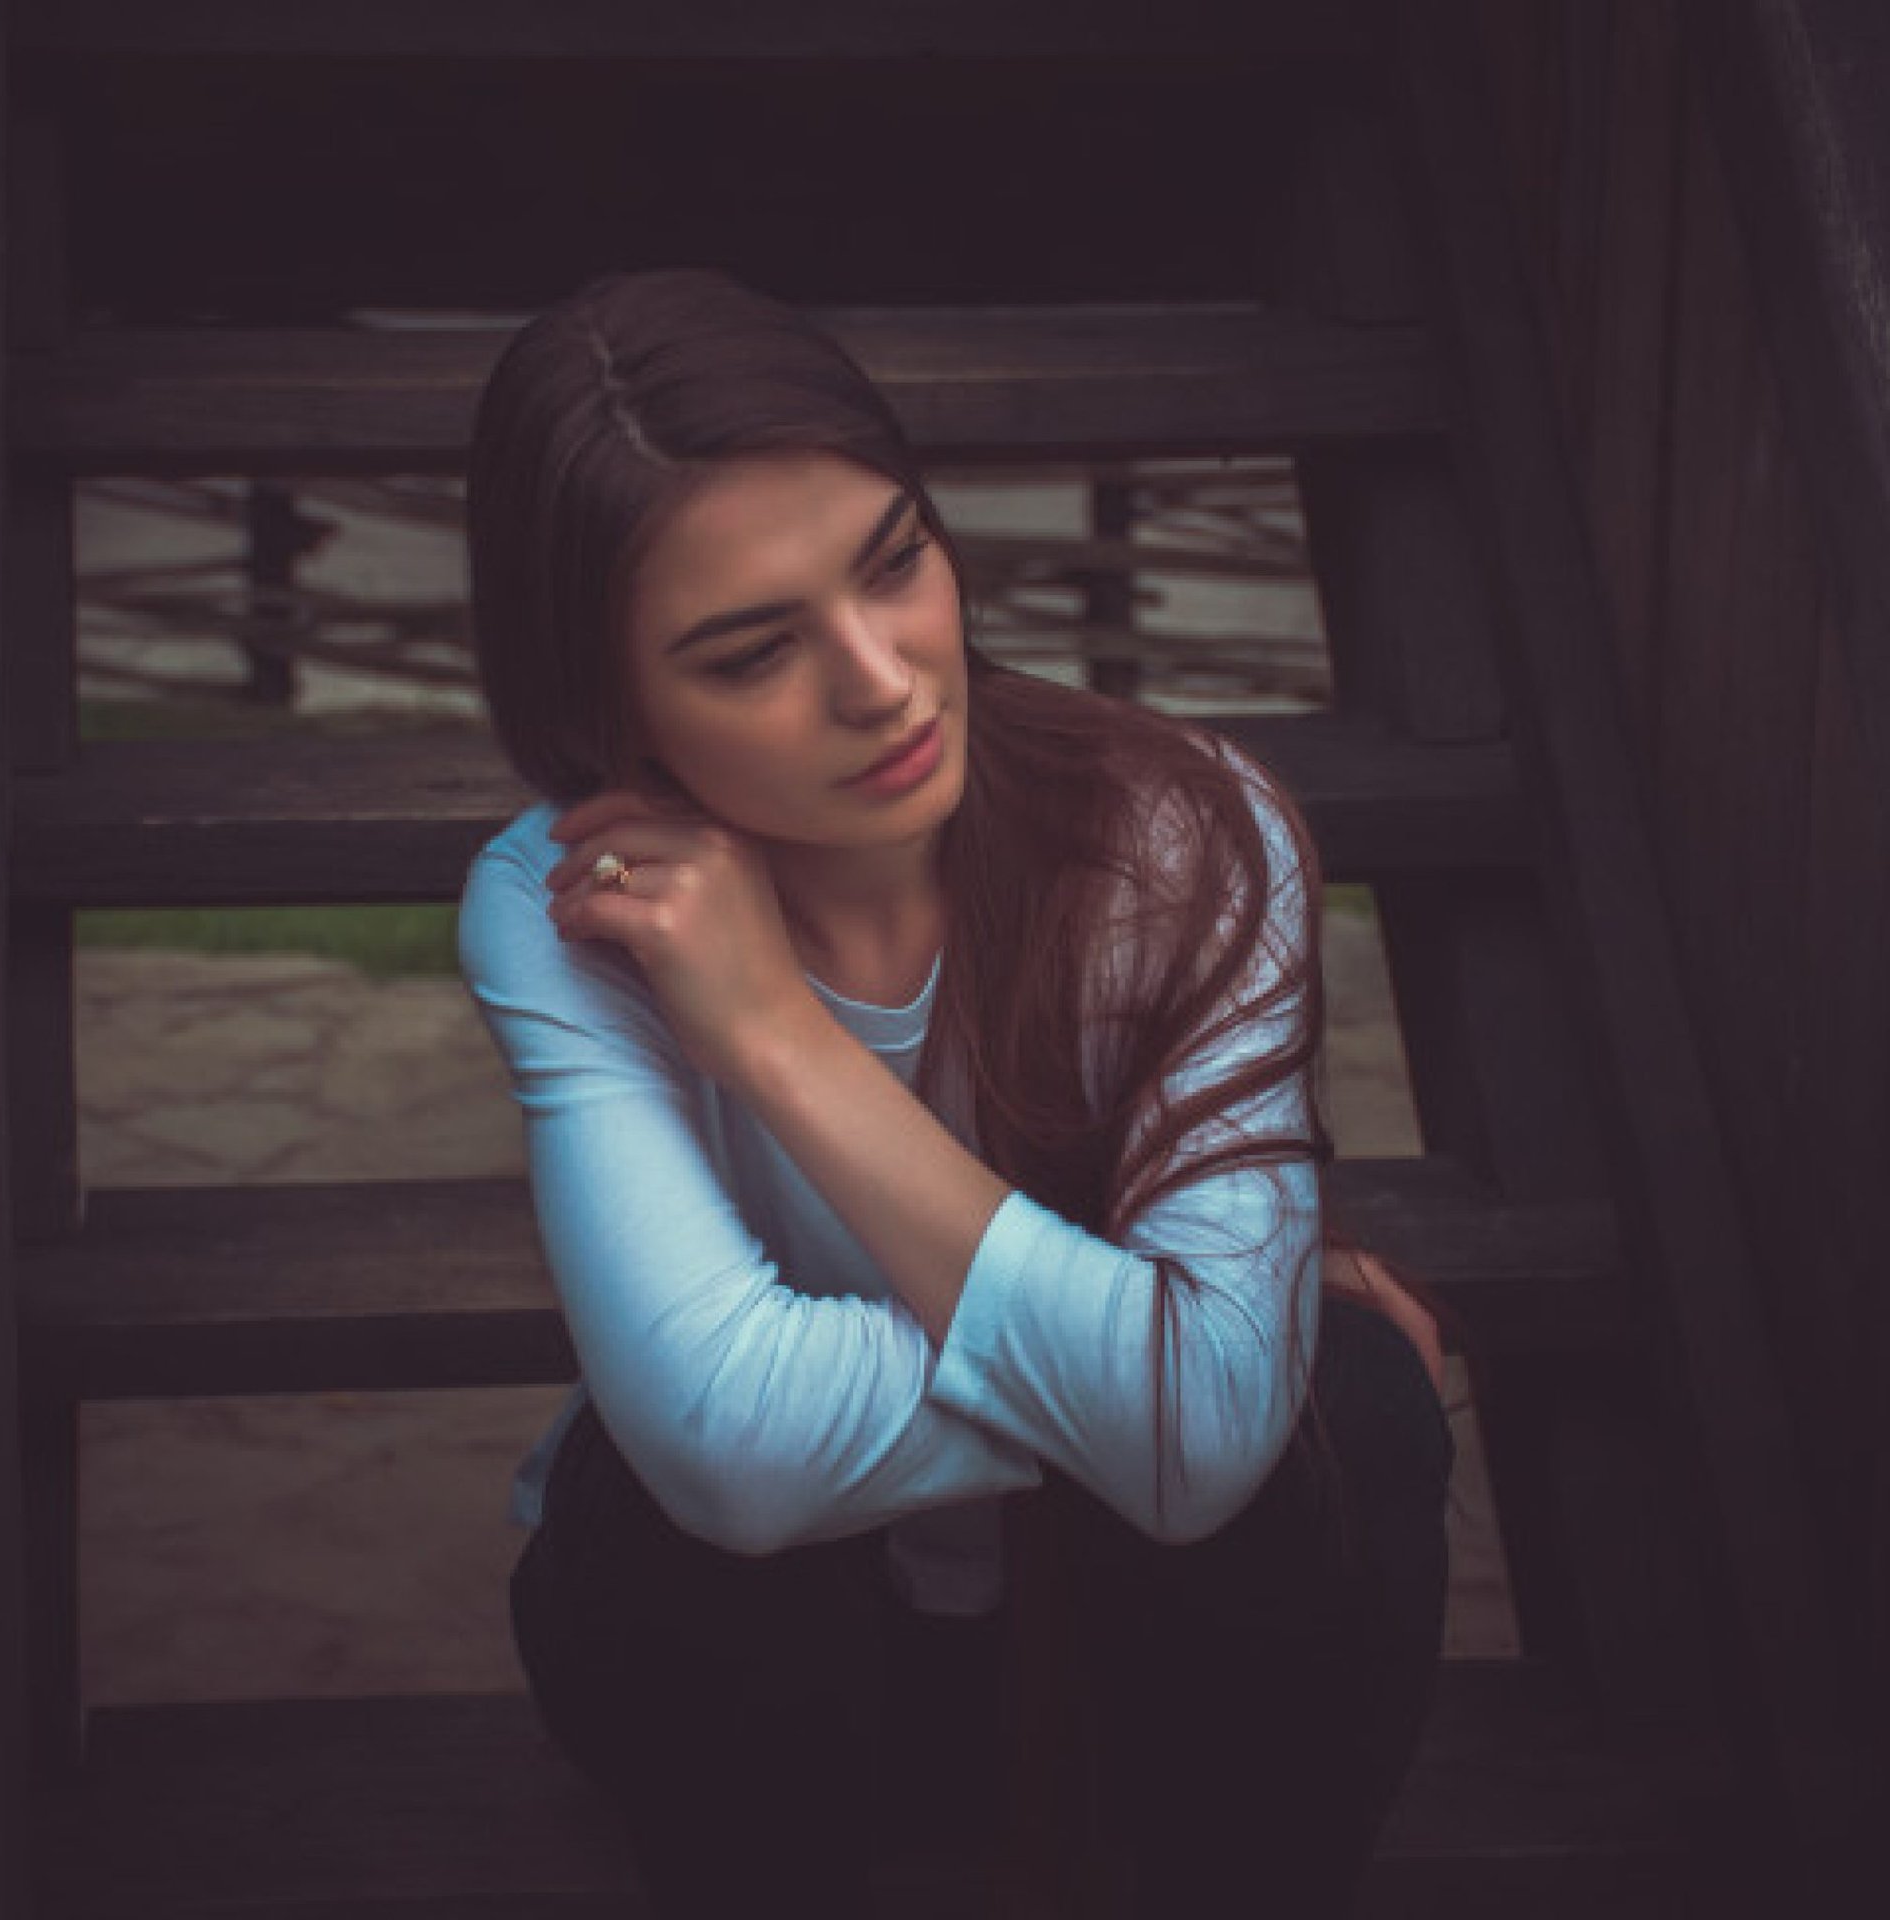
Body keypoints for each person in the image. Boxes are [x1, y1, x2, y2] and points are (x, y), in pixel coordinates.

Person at [456, 266, 1460, 1920]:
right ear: (602, 709)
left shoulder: (1189, 839)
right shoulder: (566, 903)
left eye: (895, 563)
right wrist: (1176, 1366)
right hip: (767, 1676)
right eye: (748, 651)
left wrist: (776, 1035)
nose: (884, 681)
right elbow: (731, 1452)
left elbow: (1216, 1455)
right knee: (649, 1514)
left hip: (1132, 1650)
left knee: (1344, 1418)